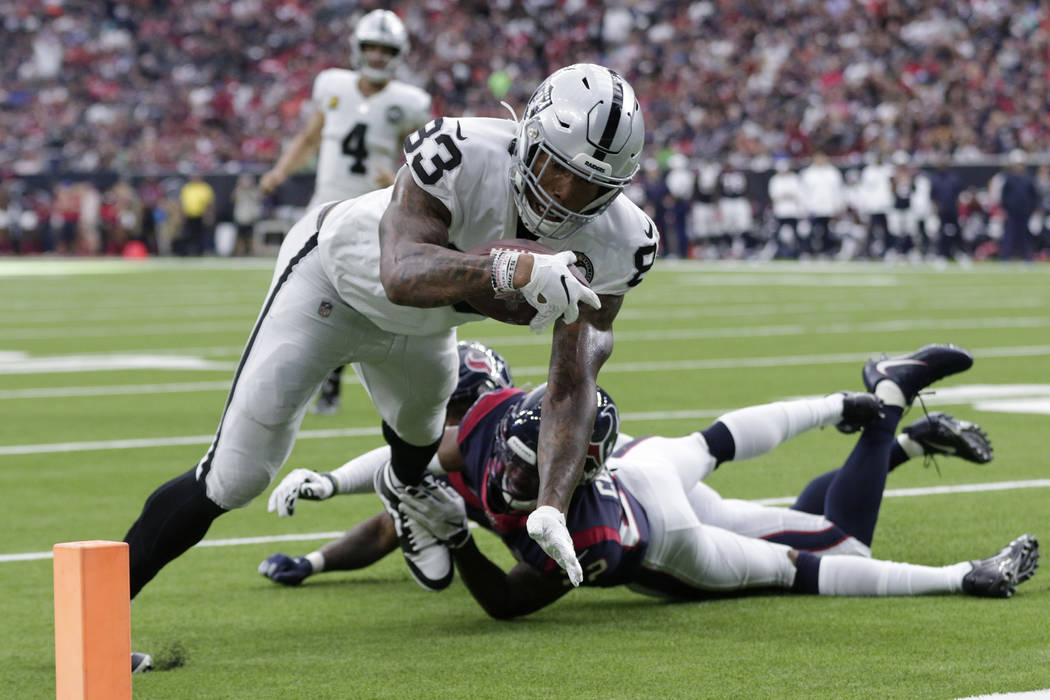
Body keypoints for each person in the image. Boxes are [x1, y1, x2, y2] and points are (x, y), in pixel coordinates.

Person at [121, 62, 656, 624]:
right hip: (330, 285)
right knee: (235, 477)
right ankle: (98, 623)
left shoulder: (624, 241)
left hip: (422, 328)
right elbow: (400, 272)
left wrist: (551, 501)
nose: (566, 197)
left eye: (593, 186)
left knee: (419, 444)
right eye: (556, 170)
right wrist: (507, 271)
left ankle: (406, 499)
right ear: (528, 138)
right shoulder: (461, 150)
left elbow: (573, 383)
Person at [259, 343, 997, 588]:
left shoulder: (583, 529)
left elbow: (511, 600)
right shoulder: (482, 428)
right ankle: (885, 431)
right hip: (649, 473)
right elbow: (398, 490)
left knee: (833, 550)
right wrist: (320, 541)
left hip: (657, 537)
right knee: (783, 508)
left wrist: (954, 577)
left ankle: (890, 402)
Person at [260, 10, 433, 415]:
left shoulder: (408, 102)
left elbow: (424, 158)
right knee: (300, 289)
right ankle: (304, 378)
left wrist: (395, 177)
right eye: (370, 47)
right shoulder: (334, 87)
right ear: (358, 48)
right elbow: (309, 136)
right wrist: (279, 171)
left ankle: (343, 382)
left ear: (399, 53)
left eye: (385, 49)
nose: (376, 55)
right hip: (324, 204)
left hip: (370, 211)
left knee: (357, 296)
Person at [260, 340, 513, 585]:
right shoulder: (454, 460)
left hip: (545, 553)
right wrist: (312, 562)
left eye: (453, 408)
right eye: (437, 408)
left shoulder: (520, 461)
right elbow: (386, 527)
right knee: (416, 497)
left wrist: (461, 543)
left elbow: (518, 595)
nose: (441, 422)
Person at [998, 149, 1038, 262]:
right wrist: (1004, 209)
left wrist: (1034, 210)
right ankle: (1005, 258)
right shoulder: (1009, 179)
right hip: (1011, 212)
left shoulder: (1029, 179)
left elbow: (1034, 196)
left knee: (1024, 236)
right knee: (1009, 236)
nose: (1019, 167)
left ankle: (1027, 257)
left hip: (1025, 212)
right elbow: (1004, 196)